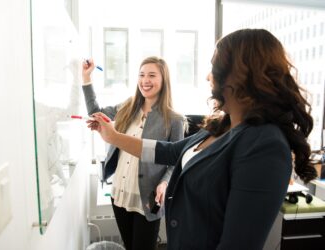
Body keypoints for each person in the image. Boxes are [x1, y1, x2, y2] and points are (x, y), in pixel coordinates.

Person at [86, 29, 318, 250]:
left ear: (241, 73)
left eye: (214, 66)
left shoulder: (265, 145)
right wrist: (114, 137)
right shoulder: (221, 126)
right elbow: (169, 151)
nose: (208, 75)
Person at [81, 56, 185, 250]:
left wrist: (164, 183)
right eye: (142, 75)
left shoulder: (174, 119)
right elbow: (95, 111)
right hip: (119, 193)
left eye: (152, 75)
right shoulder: (127, 107)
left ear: (164, 80)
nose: (145, 80)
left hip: (147, 198)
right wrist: (86, 77)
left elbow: (176, 161)